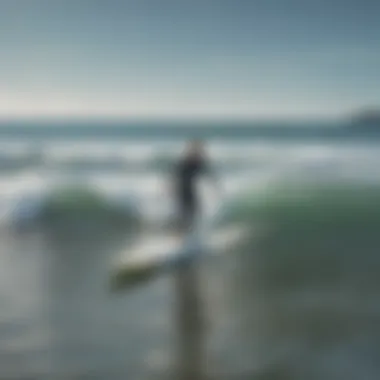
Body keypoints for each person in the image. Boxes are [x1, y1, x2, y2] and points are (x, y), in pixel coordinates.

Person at [170, 139, 219, 233]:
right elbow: (175, 176)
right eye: (196, 149)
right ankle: (183, 232)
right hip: (183, 189)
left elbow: (208, 172)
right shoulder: (185, 162)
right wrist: (172, 189)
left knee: (192, 212)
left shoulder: (197, 162)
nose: (199, 152)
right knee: (186, 211)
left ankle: (188, 232)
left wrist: (215, 185)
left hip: (189, 189)